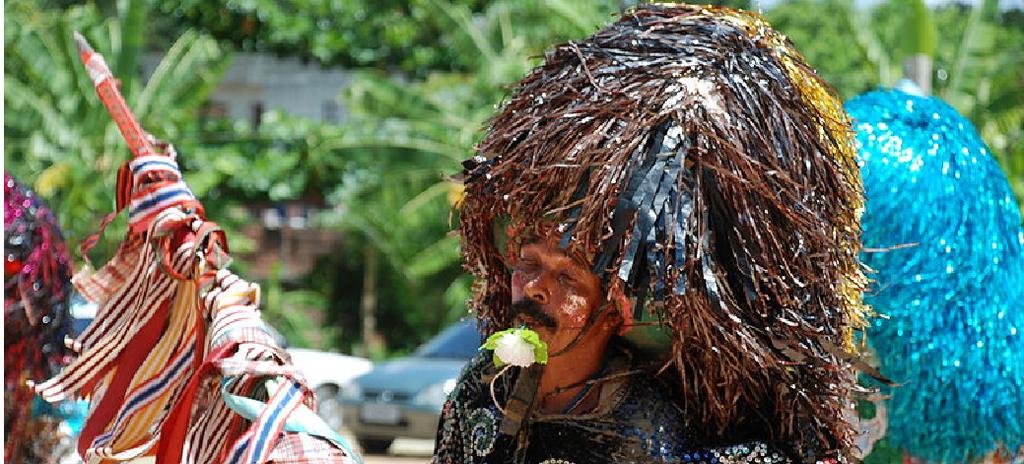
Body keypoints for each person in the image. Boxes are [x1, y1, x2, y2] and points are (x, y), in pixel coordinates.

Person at [434, 4, 869, 464]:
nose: (536, 287)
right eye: (529, 263)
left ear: (616, 309)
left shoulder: (653, 427)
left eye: (568, 277)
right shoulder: (480, 386)